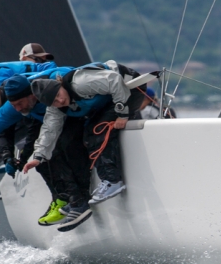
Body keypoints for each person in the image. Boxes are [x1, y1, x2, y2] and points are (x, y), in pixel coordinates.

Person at [0, 74, 110, 226]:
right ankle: (69, 200)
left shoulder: (47, 86)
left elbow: (89, 74)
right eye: (13, 105)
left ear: (31, 95)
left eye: (18, 104)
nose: (17, 109)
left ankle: (80, 201)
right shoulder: (19, 103)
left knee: (64, 146)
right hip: (63, 120)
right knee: (43, 156)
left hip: (95, 112)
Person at [22, 61, 143, 228]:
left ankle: (112, 180)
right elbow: (49, 130)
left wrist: (123, 113)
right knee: (86, 136)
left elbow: (114, 80)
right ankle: (107, 180)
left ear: (60, 85)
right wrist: (39, 156)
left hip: (130, 87)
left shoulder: (79, 83)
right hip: (111, 97)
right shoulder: (56, 108)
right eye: (54, 102)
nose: (60, 101)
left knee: (96, 132)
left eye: (59, 95)